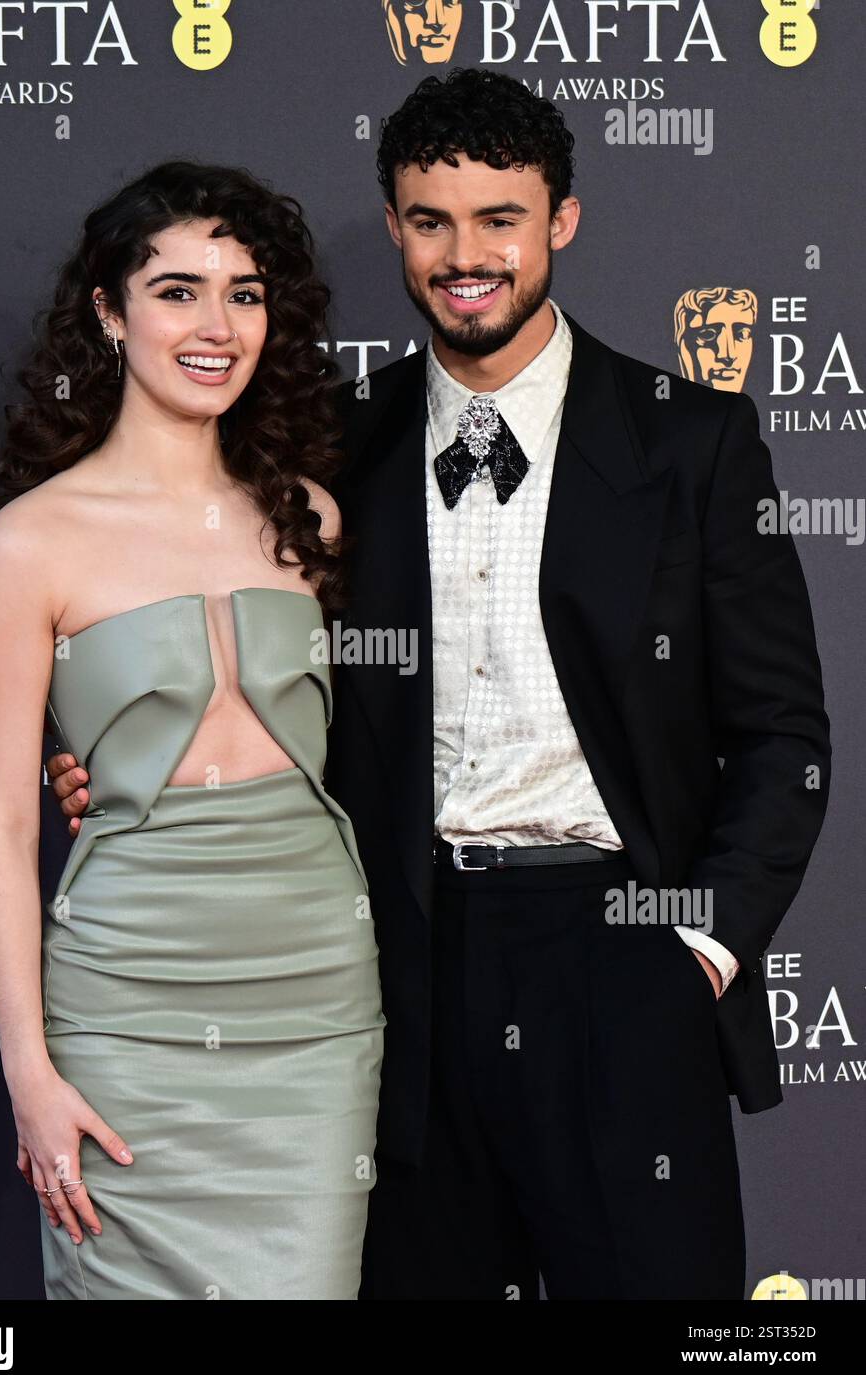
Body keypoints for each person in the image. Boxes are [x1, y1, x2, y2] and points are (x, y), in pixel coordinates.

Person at [49, 71, 831, 1300]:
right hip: (393, 964)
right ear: (397, 224)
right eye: (429, 221)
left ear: (559, 221)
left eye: (497, 220)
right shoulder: (326, 451)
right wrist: (121, 757)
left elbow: (784, 731)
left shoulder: (689, 439)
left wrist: (699, 949)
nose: (464, 257)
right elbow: (244, 668)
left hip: (617, 952)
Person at [0, 161, 384, 1300]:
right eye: (178, 289)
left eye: (244, 294)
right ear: (108, 308)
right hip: (127, 1001)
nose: (216, 325)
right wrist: (27, 1073)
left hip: (312, 1000)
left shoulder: (310, 517)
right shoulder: (32, 543)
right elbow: (1, 823)